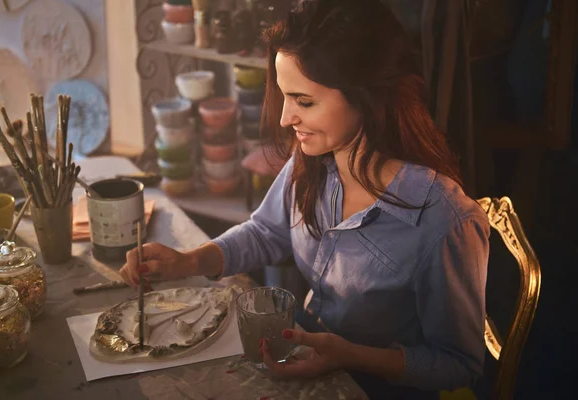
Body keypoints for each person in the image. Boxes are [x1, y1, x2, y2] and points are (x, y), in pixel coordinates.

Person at [120, 0, 490, 398]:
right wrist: (191, 260)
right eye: (284, 96)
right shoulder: (315, 159)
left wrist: (350, 356)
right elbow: (266, 231)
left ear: (366, 97)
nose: (284, 118)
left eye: (304, 101)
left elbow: (458, 364)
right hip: (308, 365)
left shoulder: (443, 221)